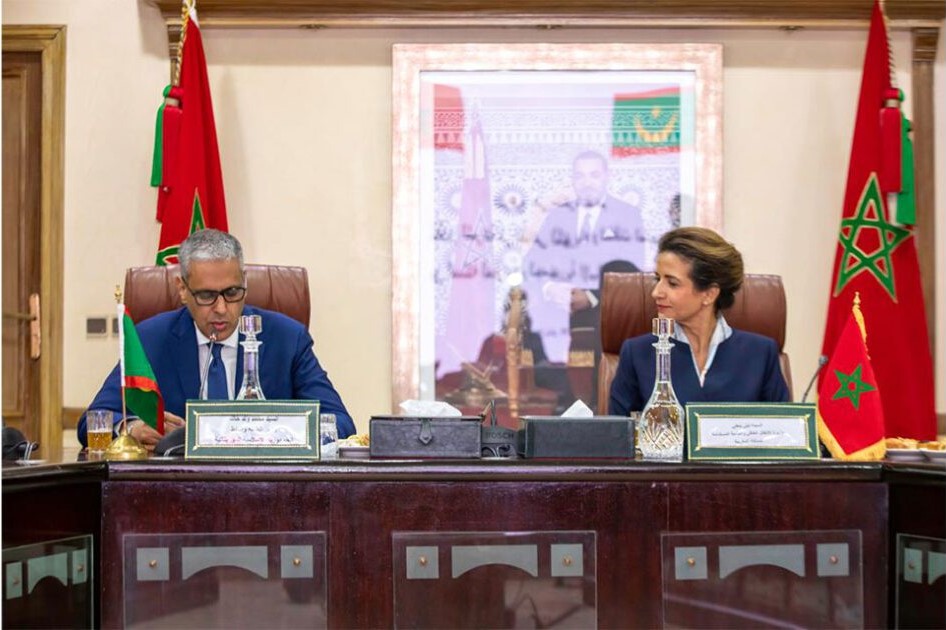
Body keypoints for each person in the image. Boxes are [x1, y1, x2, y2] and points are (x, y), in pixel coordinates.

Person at [77, 229, 355, 450]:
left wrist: (275, 429)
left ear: (245, 281)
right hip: (178, 490)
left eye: (232, 292)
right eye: (207, 296)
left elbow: (341, 424)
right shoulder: (151, 339)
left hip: (266, 487)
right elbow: (94, 420)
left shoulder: (287, 338)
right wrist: (131, 428)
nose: (222, 308)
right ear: (182, 289)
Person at [608, 227, 789, 415]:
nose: (656, 292)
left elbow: (784, 429)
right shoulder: (638, 354)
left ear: (709, 294)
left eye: (672, 283)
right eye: (657, 279)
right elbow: (616, 430)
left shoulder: (760, 354)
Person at [522, 150, 644, 365]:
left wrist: (590, 297)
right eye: (580, 176)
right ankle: (552, 386)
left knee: (611, 332)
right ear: (572, 180)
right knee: (536, 323)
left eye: (594, 175)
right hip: (558, 305)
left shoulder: (627, 215)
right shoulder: (557, 215)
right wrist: (550, 289)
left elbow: (632, 271)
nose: (587, 183)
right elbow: (532, 263)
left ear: (607, 177)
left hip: (605, 307)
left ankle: (600, 386)